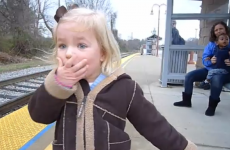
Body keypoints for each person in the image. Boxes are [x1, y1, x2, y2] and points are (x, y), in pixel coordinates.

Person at [28, 7, 197, 150]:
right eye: (62, 45)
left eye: (81, 45)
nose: (69, 53)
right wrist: (58, 85)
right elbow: (38, 115)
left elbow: (154, 125)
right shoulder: (58, 86)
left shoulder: (125, 88)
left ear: (102, 53)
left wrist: (184, 147)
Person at [173, 21, 230, 117]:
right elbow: (205, 59)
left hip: (226, 72)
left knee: (216, 79)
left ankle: (211, 106)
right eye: (216, 30)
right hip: (211, 69)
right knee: (189, 76)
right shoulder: (211, 45)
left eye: (221, 29)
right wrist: (210, 61)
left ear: (226, 29)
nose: (218, 31)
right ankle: (186, 101)